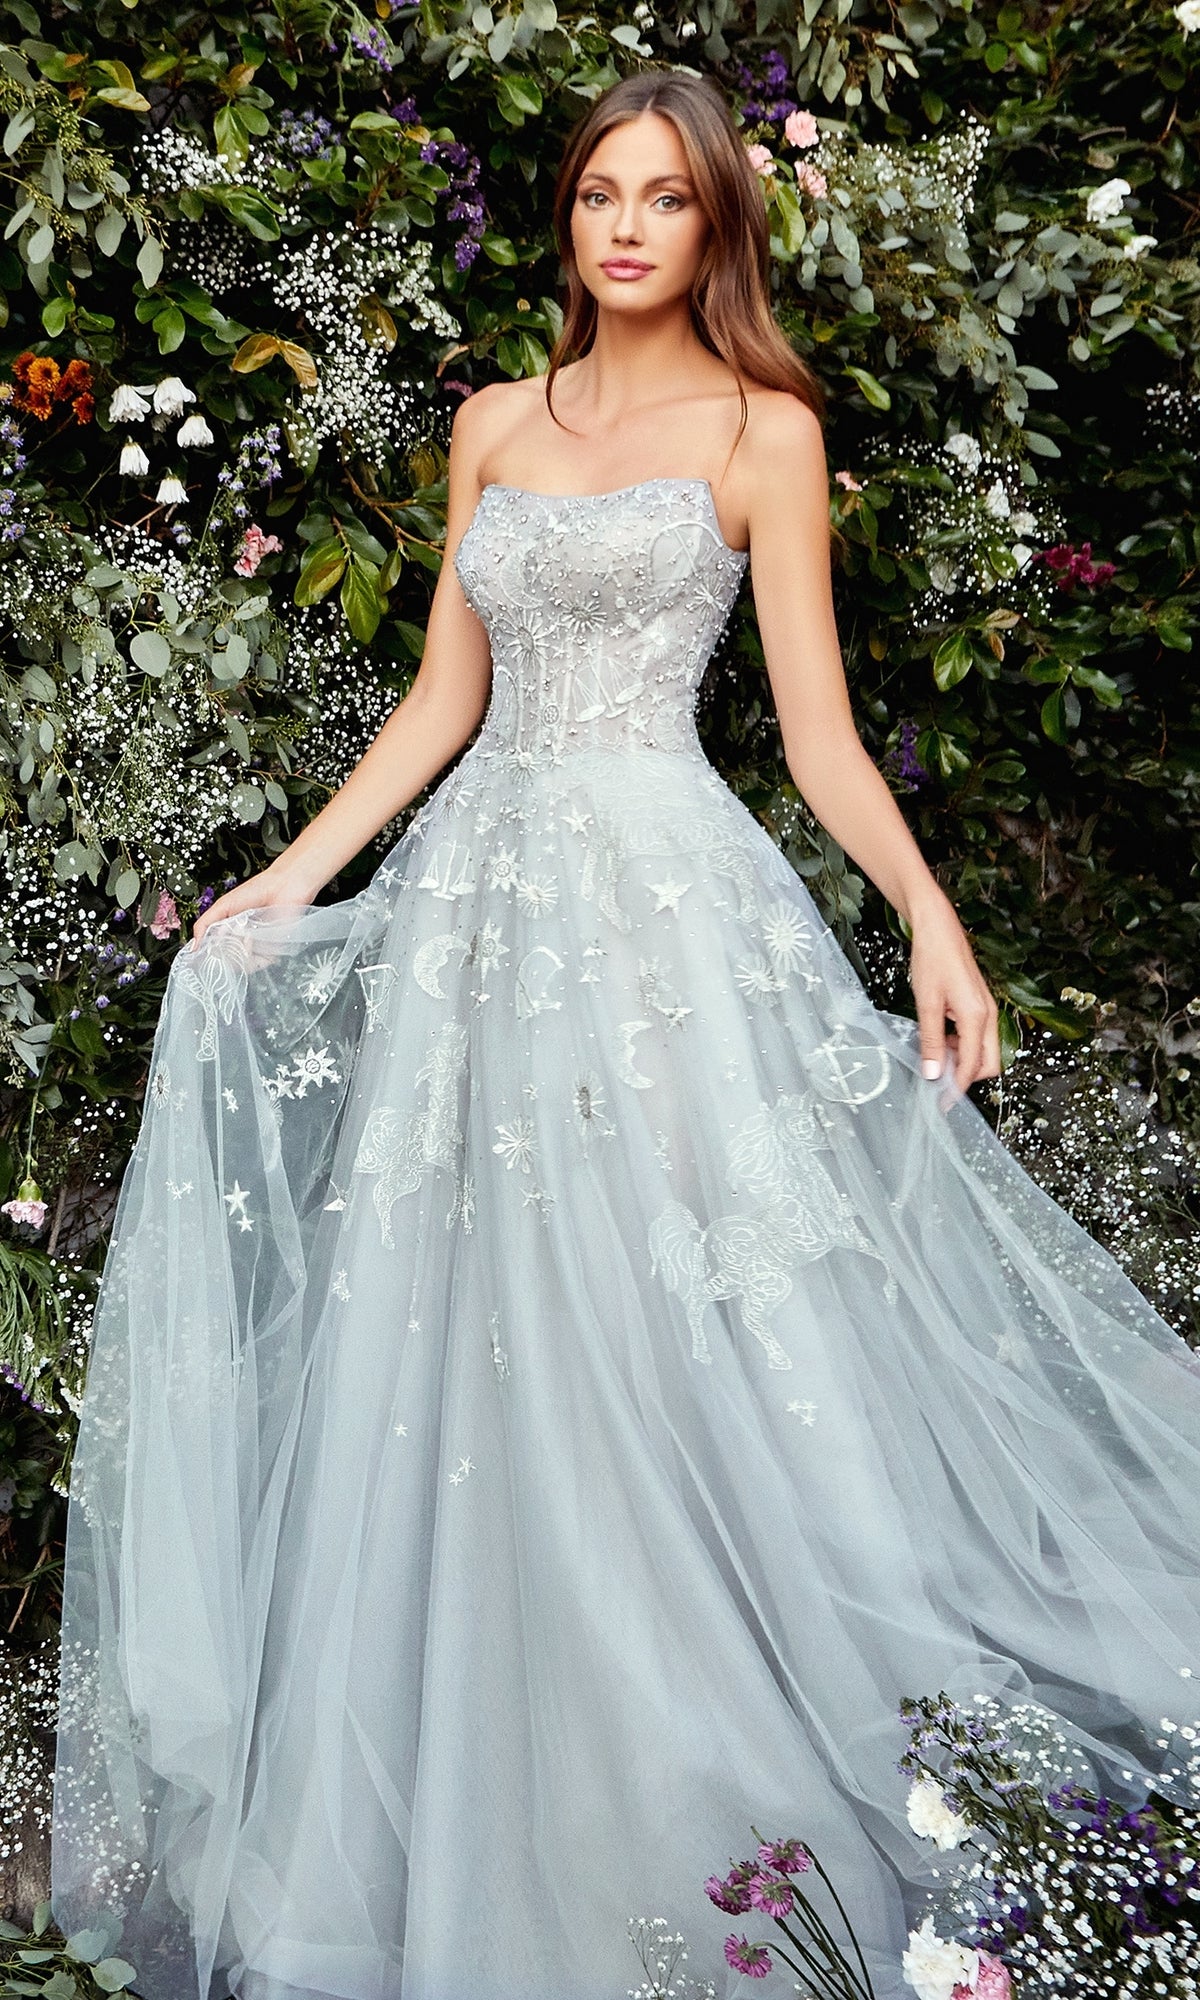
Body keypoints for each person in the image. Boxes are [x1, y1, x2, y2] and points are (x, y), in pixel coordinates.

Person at [51, 68, 1200, 2000]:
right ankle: (500, 1834)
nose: (628, 228)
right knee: (471, 1340)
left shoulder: (763, 432)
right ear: (567, 218)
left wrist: (932, 917)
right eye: (601, 193)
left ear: (716, 223)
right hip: (475, 928)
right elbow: (444, 700)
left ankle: (705, 1824)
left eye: (666, 197)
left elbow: (819, 734)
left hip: (660, 921)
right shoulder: (496, 424)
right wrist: (294, 877)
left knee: (665, 1335)